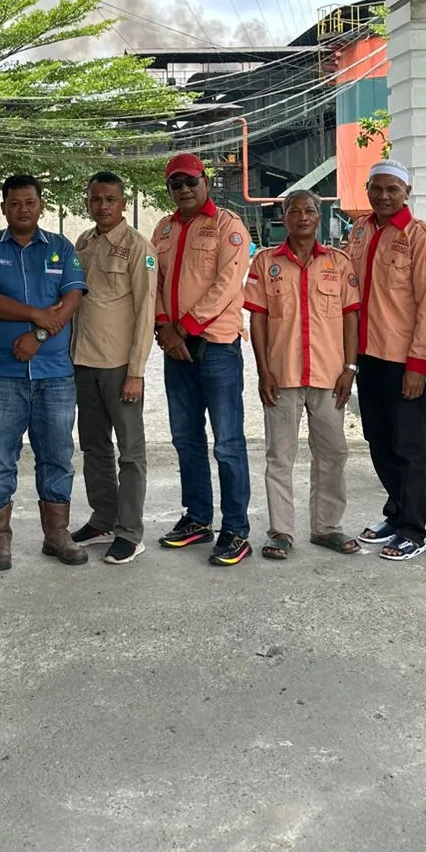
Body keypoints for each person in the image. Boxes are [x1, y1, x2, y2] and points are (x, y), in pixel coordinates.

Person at [0, 175, 88, 571]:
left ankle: (57, 533)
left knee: (57, 454)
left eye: (30, 202)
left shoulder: (60, 247)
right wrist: (36, 313)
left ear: (41, 205)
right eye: (15, 203)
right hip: (1, 373)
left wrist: (38, 334)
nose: (23, 209)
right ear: (3, 207)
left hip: (54, 374)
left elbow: (72, 297)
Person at [245, 188, 360, 561]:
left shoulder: (339, 263)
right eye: (294, 211)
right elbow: (258, 319)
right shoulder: (265, 262)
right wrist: (263, 370)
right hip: (282, 376)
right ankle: (281, 531)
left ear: (319, 216)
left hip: (329, 376)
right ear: (284, 217)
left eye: (310, 210)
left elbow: (351, 317)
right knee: (280, 456)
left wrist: (350, 368)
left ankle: (326, 527)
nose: (303, 216)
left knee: (333, 453)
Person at [151, 153, 254, 567]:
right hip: (175, 349)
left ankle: (236, 530)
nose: (184, 189)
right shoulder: (164, 228)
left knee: (227, 443)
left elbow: (228, 284)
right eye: (175, 184)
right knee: (186, 439)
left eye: (190, 181)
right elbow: (155, 282)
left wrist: (184, 328)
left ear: (205, 181)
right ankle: (197, 518)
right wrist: (164, 326)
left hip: (216, 348)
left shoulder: (228, 225)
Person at [344, 162, 426, 561]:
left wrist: (419, 364)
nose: (384, 196)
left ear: (407, 192)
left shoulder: (421, 237)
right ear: (368, 189)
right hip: (366, 355)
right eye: (377, 188)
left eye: (393, 189)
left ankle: (413, 530)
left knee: (409, 447)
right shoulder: (360, 230)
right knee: (378, 439)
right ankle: (396, 512)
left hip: (402, 359)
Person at [70, 171, 158, 565]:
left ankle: (130, 532)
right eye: (95, 199)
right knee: (93, 446)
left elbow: (145, 312)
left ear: (123, 203)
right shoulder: (84, 242)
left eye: (110, 199)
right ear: (87, 203)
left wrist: (135, 372)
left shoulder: (139, 247)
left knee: (130, 452)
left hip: (120, 366)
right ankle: (103, 518)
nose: (102, 206)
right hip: (83, 362)